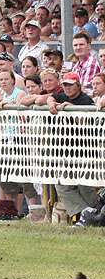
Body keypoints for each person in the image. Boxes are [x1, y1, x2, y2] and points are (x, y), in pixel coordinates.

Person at [47, 73, 100, 221]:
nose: (67, 88)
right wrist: (51, 103)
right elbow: (50, 97)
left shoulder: (85, 100)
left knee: (84, 185)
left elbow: (88, 123)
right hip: (64, 150)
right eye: (65, 85)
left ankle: (96, 209)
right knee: (62, 184)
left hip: (84, 149)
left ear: (78, 85)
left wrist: (73, 109)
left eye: (70, 84)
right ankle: (87, 212)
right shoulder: (62, 96)